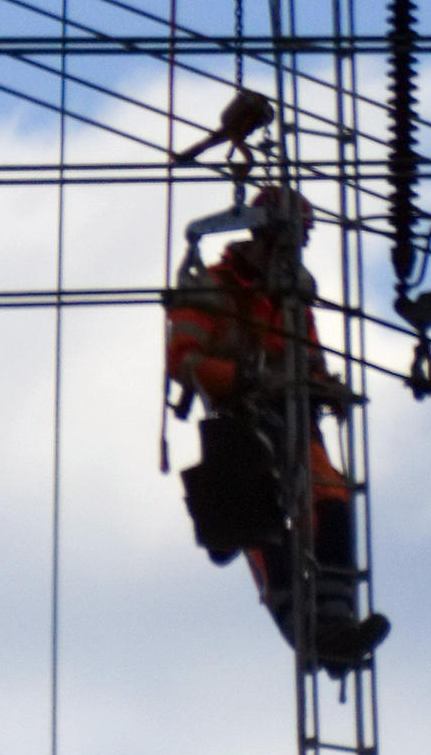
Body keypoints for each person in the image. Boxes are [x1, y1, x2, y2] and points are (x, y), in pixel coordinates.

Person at [163, 187, 389, 667]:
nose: (294, 252)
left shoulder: (290, 301)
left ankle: (338, 623)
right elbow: (183, 359)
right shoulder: (213, 288)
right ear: (264, 234)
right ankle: (306, 632)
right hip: (239, 424)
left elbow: (308, 358)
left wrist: (326, 386)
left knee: (332, 499)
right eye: (289, 241)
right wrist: (243, 378)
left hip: (293, 421)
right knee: (260, 517)